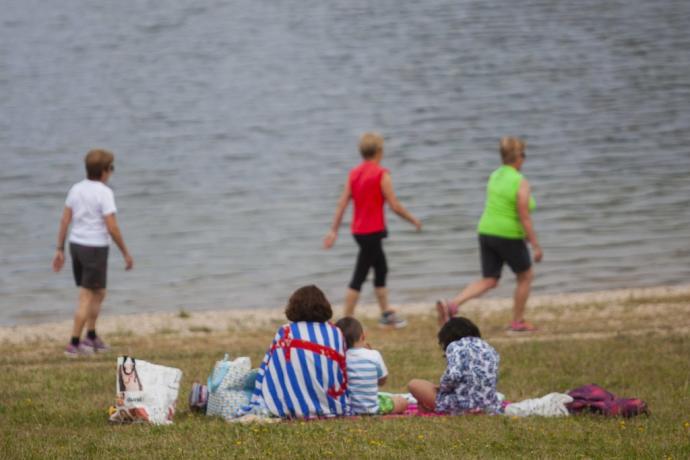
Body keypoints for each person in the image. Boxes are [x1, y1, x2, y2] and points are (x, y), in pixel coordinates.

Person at [437, 137, 542, 332]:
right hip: (507, 234)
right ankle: (518, 321)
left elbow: (502, 206)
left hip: (486, 230)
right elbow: (523, 214)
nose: (524, 159)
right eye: (523, 155)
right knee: (525, 276)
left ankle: (452, 305)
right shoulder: (520, 181)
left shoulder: (494, 175)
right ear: (518, 157)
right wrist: (535, 244)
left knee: (490, 279)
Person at [324, 132, 422, 328]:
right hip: (373, 232)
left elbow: (342, 203)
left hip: (359, 232)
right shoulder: (381, 174)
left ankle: (386, 314)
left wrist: (333, 230)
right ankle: (346, 321)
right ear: (379, 151)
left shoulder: (353, 174)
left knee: (381, 269)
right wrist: (413, 220)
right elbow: (394, 205)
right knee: (359, 275)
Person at [52, 149, 134, 357]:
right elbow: (112, 227)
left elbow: (64, 220)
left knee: (99, 292)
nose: (112, 172)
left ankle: (91, 336)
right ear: (104, 171)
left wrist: (60, 249)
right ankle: (74, 343)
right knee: (87, 295)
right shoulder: (104, 193)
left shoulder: (76, 189)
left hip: (76, 245)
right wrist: (125, 252)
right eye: (111, 168)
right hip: (95, 247)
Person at [247, 285, 349, 418]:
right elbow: (343, 370)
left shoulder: (286, 331)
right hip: (333, 405)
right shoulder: (335, 332)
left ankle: (295, 396)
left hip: (292, 407)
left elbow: (267, 368)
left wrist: (256, 397)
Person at [408, 317, 502, 415]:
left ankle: (430, 409)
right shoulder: (488, 347)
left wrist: (442, 389)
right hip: (488, 405)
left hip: (462, 406)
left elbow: (453, 376)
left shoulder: (455, 346)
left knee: (414, 384)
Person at [335, 317, 408, 415]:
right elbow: (382, 381)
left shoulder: (338, 358)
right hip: (373, 409)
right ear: (363, 337)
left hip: (347, 409)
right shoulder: (373, 355)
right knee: (402, 401)